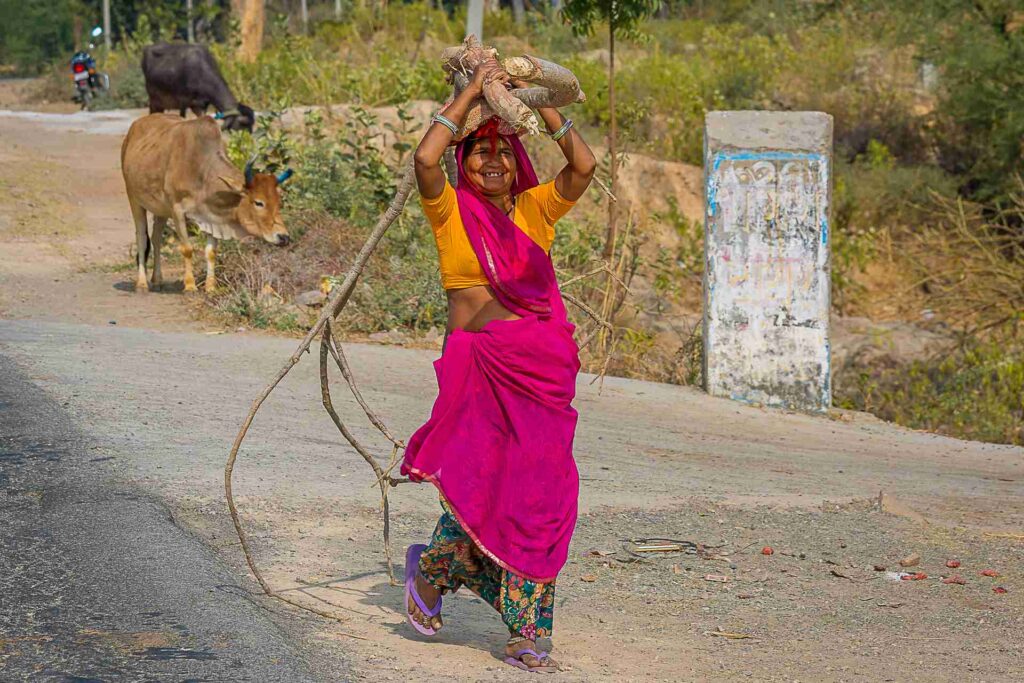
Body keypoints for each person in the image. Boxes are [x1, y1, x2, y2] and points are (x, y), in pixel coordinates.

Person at [400, 58, 596, 673]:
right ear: (467, 159)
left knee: (539, 495)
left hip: (538, 381)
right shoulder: (450, 211)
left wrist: (534, 100)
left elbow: (584, 166)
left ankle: (527, 628)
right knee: (479, 489)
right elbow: (424, 160)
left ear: (519, 162)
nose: (492, 161)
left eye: (504, 152)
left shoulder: (535, 212)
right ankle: (429, 576)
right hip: (480, 374)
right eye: (480, 151)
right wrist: (468, 97)